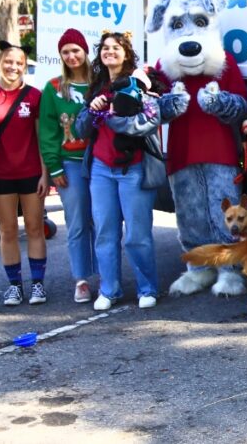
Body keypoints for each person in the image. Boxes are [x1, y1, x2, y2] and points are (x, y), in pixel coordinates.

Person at [76, 32, 165, 311]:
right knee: (105, 232)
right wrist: (92, 111)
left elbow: (148, 122)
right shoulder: (97, 86)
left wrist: (115, 116)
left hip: (134, 168)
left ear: (126, 53)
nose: (110, 52)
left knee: (137, 234)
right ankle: (109, 289)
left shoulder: (140, 83)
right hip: (101, 169)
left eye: (116, 48)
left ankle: (147, 288)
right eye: (105, 48)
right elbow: (80, 130)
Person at [0, 42, 48, 306]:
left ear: (25, 66)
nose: (13, 67)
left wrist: (45, 174)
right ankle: (14, 286)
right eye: (9, 61)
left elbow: (42, 138)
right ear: (0, 62)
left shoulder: (34, 96)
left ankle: (38, 285)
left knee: (34, 228)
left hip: (31, 172)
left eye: (19, 63)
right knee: (7, 231)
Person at [39, 28, 97, 303]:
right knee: (76, 222)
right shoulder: (53, 88)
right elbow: (48, 131)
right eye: (66, 52)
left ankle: (105, 274)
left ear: (85, 52)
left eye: (76, 50)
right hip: (70, 163)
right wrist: (54, 167)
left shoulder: (100, 83)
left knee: (104, 221)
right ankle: (82, 279)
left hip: (100, 160)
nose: (72, 56)